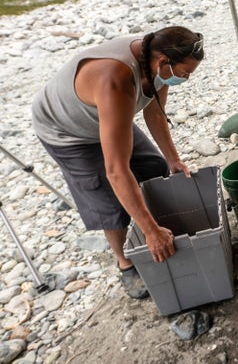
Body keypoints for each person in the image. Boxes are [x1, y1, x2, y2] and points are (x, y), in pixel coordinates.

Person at [31, 26, 205, 299]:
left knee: (154, 167)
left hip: (106, 115)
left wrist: (173, 159)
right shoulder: (117, 79)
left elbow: (156, 114)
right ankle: (125, 262)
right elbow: (115, 171)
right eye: (185, 73)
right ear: (163, 62)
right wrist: (151, 232)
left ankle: (151, 225)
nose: (186, 78)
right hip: (67, 131)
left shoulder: (156, 65)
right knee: (109, 201)